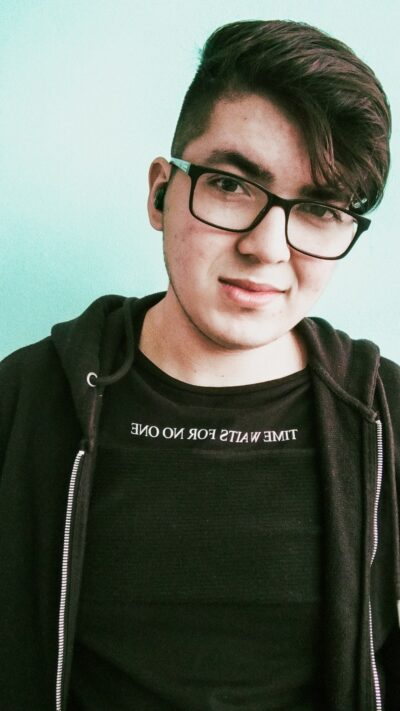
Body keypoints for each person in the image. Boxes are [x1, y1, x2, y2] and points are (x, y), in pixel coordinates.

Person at [0, 18, 399, 711]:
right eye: (232, 186)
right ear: (162, 191)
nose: (268, 248)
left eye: (320, 208)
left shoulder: (387, 418)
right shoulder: (22, 399)